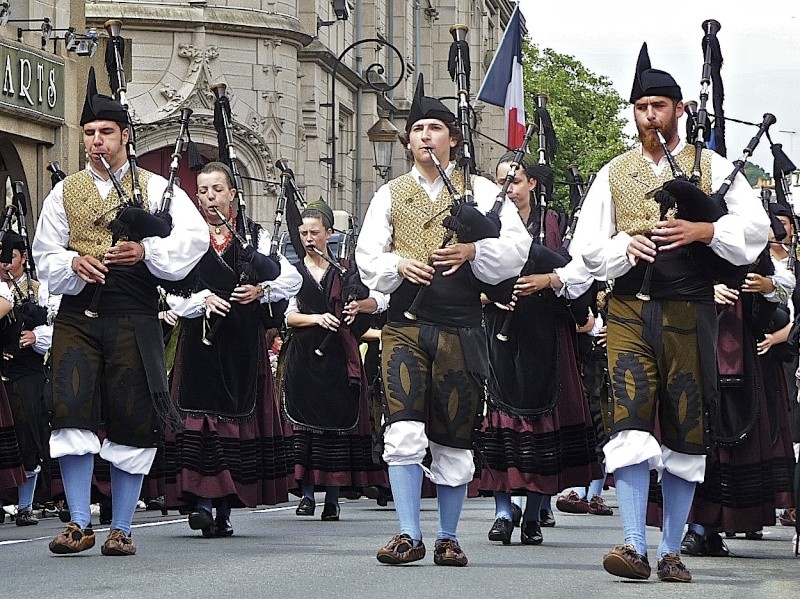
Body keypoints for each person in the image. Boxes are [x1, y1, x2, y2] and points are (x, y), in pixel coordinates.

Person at [569, 44, 770, 582]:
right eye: (642, 107)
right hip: (629, 308)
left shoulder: (715, 166)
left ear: (679, 110)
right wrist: (623, 247)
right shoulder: (614, 171)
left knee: (686, 425)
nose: (650, 116)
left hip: (690, 310)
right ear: (633, 113)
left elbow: (755, 232)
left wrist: (704, 230)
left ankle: (672, 549)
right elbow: (587, 249)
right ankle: (633, 544)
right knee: (630, 417)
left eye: (660, 105)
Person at [32, 67, 208, 556]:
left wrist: (147, 253)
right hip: (77, 313)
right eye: (88, 133)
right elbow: (44, 252)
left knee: (133, 416)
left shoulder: (155, 189)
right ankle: (78, 522)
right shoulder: (64, 191)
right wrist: (72, 261)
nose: (95, 142)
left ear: (125, 137)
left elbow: (190, 241)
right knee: (70, 411)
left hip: (134, 313)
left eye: (105, 132)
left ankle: (123, 527)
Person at [355, 75, 530, 566]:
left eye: (436, 128)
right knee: (405, 429)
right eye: (418, 129)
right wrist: (397, 264)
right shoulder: (390, 194)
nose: (426, 136)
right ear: (408, 139)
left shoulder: (480, 191)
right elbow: (367, 256)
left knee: (453, 435)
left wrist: (475, 248)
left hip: (461, 326)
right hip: (405, 325)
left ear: (452, 138)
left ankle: (448, 535)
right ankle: (409, 533)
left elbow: (515, 251)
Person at [164, 161, 300, 537]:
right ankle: (203, 503)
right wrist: (200, 299)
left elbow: (289, 278)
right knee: (199, 418)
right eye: (203, 191)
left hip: (242, 343)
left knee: (232, 422)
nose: (209, 197)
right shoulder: (185, 238)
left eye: (217, 190)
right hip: (199, 343)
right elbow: (168, 289)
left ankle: (223, 507)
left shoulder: (254, 237)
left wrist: (261, 291)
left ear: (233, 195)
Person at [479, 154, 600, 546]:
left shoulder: (554, 224)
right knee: (501, 420)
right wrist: (492, 296)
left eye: (515, 180)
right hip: (501, 330)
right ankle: (501, 510)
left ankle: (532, 513)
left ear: (532, 184)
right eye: (502, 180)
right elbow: (469, 277)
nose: (508, 188)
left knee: (542, 424)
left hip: (547, 331)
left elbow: (581, 273)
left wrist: (548, 277)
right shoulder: (487, 221)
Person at [681, 244, 796, 556]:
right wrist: (708, 291)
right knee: (699, 444)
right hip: (697, 353)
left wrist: (767, 287)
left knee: (732, 446)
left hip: (746, 360)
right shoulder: (694, 248)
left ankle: (708, 529)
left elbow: (771, 308)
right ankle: (696, 527)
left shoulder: (755, 252)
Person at [282, 200, 388, 521]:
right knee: (306, 428)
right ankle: (307, 495)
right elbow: (288, 318)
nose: (309, 238)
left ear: (329, 233)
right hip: (304, 359)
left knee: (335, 429)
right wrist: (316, 319)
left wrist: (356, 309)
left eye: (315, 232)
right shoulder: (292, 272)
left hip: (338, 360)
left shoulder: (346, 273)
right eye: (304, 233)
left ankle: (333, 498)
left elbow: (370, 308)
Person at [0, 233, 54, 526]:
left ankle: (25, 505)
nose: (6, 262)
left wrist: (35, 337)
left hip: (28, 371)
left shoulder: (38, 290)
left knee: (28, 434)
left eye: (10, 256)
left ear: (23, 257)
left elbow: (55, 327)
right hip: (3, 372)